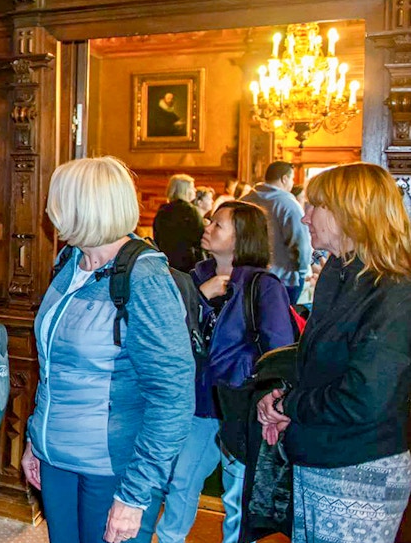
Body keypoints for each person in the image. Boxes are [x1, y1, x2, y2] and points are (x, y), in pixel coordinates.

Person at [21, 156, 194, 543]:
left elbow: (172, 397)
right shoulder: (70, 262)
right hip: (56, 459)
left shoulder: (144, 278)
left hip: (112, 468)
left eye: (57, 199)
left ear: (84, 206)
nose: (49, 209)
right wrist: (36, 439)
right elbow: (52, 366)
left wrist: (134, 496)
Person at [256, 163, 411, 543]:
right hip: (321, 455)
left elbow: (364, 398)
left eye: (315, 207)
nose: (305, 216)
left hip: (359, 467)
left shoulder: (394, 289)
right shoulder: (340, 272)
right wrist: (279, 398)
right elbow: (318, 362)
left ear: (349, 213)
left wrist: (291, 405)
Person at [137, 201, 295, 543]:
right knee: (181, 481)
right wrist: (198, 296)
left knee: (237, 496)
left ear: (241, 239)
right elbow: (168, 329)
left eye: (218, 225)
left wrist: (267, 398)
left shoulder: (263, 286)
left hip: (242, 406)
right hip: (199, 401)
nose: (207, 227)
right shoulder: (194, 276)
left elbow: (279, 351)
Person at [240, 162, 312, 304]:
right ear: (284, 179)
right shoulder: (288, 204)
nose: (291, 184)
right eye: (291, 180)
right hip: (284, 278)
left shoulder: (244, 200)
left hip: (248, 276)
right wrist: (303, 272)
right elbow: (300, 242)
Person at [153, 174, 204, 272]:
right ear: (185, 190)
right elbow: (200, 238)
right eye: (192, 187)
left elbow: (157, 238)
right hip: (188, 264)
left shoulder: (162, 211)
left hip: (166, 263)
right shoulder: (191, 211)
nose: (195, 190)